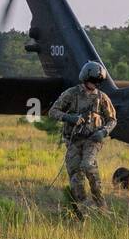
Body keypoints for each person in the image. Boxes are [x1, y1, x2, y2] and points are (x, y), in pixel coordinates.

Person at [47, 61, 117, 218]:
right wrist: (70, 118)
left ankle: (101, 206)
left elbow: (112, 120)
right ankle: (82, 210)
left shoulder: (102, 98)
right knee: (75, 175)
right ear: (85, 78)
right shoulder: (71, 94)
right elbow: (53, 112)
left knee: (87, 165)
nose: (96, 84)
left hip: (93, 139)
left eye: (98, 82)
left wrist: (104, 132)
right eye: (93, 81)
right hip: (74, 140)